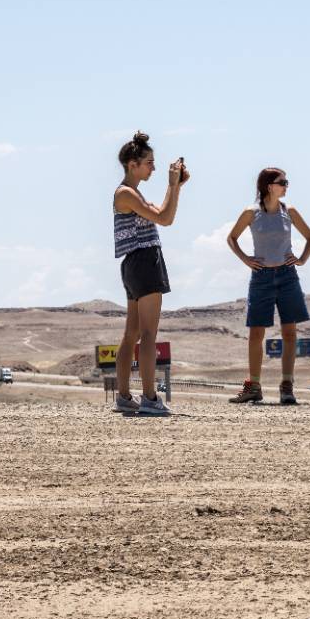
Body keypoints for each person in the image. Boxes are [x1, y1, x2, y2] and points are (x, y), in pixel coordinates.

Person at [112, 131, 189, 416]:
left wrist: (175, 186)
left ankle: (123, 396)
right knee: (147, 333)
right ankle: (149, 397)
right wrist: (174, 186)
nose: (153, 168)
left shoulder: (130, 193)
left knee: (131, 333)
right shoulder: (126, 193)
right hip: (145, 261)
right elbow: (166, 218)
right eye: (149, 162)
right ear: (133, 164)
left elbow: (160, 211)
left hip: (133, 263)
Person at [226, 167, 310, 405]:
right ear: (269, 186)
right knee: (256, 333)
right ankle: (253, 386)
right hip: (261, 278)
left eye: (286, 182)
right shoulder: (250, 213)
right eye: (282, 182)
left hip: (287, 277)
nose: (286, 185)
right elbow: (231, 238)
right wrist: (246, 259)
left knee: (290, 332)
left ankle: (287, 386)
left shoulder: (290, 211)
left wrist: (302, 259)